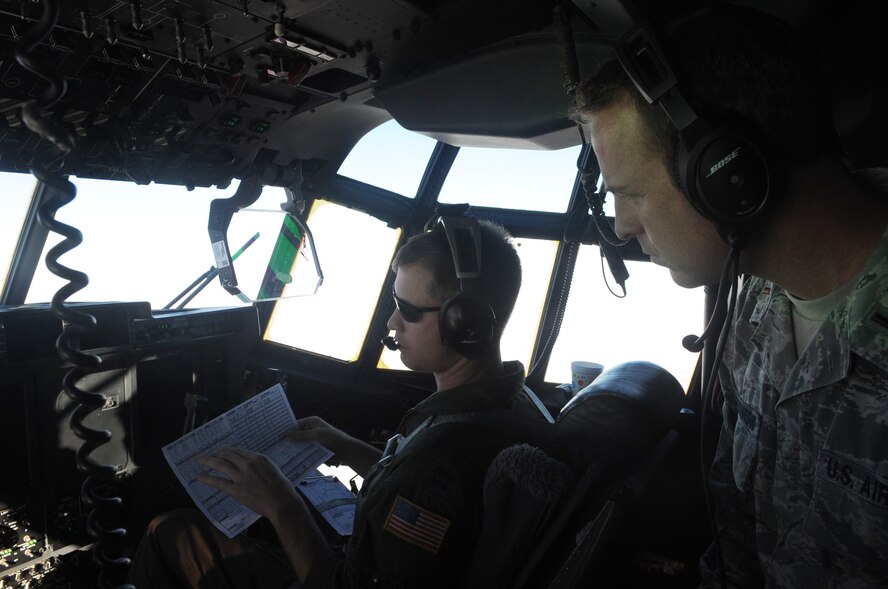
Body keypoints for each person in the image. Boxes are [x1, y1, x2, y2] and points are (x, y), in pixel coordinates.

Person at [571, 3, 888, 587]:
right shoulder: (752, 303)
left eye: (631, 193)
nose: (620, 226)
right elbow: (736, 524)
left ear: (722, 171)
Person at [127, 215, 545, 588]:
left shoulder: (442, 458)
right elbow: (421, 490)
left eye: (407, 310)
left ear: (464, 323)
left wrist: (281, 504)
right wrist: (345, 446)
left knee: (170, 534)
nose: (391, 322)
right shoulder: (512, 402)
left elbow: (422, 490)